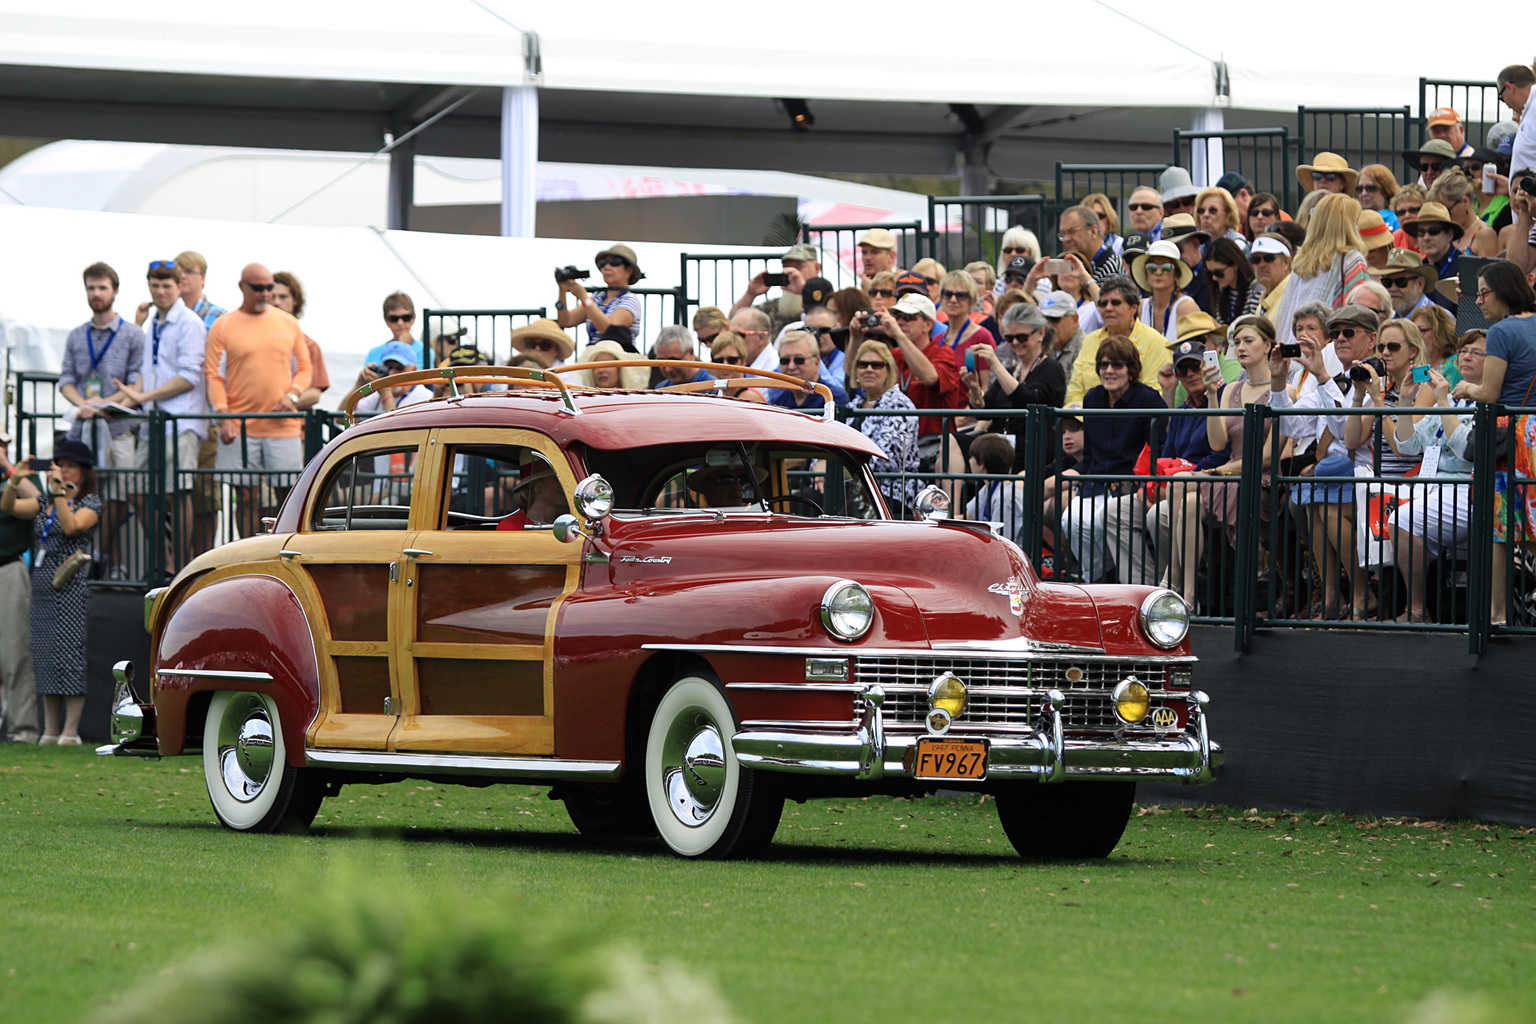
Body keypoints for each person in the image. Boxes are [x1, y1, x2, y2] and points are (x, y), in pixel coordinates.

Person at [1271, 304, 1378, 619]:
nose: (1340, 338)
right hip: (1330, 478)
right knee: (1316, 502)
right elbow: (1291, 425)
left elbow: (1348, 433)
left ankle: (1360, 593)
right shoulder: (1328, 382)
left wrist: (1320, 375)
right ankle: (1331, 598)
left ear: (1371, 340)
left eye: (1349, 332)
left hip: (1367, 475)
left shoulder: (1374, 379)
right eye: (1335, 333)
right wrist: (1278, 384)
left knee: (1326, 509)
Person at [1104, 335, 1228, 594]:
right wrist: (1151, 486)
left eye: (1196, 367)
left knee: (1157, 514)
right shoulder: (1182, 411)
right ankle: (1143, 588)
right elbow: (1165, 455)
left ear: (1207, 368)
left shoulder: (1223, 399)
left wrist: (1175, 481)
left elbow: (1222, 455)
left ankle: (1173, 587)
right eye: (1184, 369)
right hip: (1174, 485)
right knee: (1115, 512)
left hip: (1204, 485)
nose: (1191, 374)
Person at [110, 260, 208, 574]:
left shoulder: (189, 322)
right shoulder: (155, 320)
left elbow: (190, 376)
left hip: (182, 420)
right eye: (155, 285)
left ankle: (179, 566)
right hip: (154, 421)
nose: (161, 291)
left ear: (180, 286)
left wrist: (143, 397)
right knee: (138, 490)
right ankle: (166, 562)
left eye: (167, 285)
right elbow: (148, 374)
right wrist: (120, 400)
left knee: (178, 492)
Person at [1452, 260, 1536, 625]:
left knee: (1499, 530)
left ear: (1502, 292)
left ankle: (1496, 616)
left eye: (1483, 292)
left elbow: (1489, 393)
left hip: (1510, 435)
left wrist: (1465, 387)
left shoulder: (1501, 332)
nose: (1479, 300)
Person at [1, 440, 100, 745]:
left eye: (70, 465)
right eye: (61, 464)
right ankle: (50, 730)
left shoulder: (90, 502)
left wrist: (58, 493)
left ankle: (70, 731)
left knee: (68, 655)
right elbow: (9, 506)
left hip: (69, 586)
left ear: (83, 471)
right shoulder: (46, 499)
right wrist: (15, 479)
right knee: (43, 657)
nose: (64, 469)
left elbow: (71, 527)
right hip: (43, 584)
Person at [204, 263, 312, 541]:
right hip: (240, 428)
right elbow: (213, 375)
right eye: (259, 288)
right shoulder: (224, 324)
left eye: (269, 287)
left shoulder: (288, 322)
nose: (265, 293)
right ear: (242, 287)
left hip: (282, 427)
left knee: (287, 497)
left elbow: (305, 367)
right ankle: (246, 555)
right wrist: (223, 416)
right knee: (247, 498)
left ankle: (282, 552)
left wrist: (293, 395)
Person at [1050, 335, 1166, 584]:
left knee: (1103, 521)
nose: (1109, 371)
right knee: (1071, 519)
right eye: (1103, 365)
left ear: (1131, 369)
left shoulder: (1148, 399)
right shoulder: (1092, 399)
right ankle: (1099, 581)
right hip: (1097, 483)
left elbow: (1160, 449)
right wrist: (1085, 482)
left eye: (1117, 364)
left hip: (1131, 486)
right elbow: (1091, 451)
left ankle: (1122, 582)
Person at [1387, 328, 1481, 623]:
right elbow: (1408, 444)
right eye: (1463, 350)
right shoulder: (1453, 401)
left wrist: (1441, 401)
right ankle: (1409, 608)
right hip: (1429, 489)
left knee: (1402, 519)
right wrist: (1405, 402)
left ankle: (1415, 611)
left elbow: (1466, 448)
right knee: (1386, 513)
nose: (1465, 356)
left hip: (1468, 491)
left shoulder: (1489, 402)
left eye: (1475, 352)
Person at [59, 262, 144, 579]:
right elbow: (66, 380)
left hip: (118, 428)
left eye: (102, 288)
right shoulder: (77, 335)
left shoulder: (133, 335)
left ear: (115, 291)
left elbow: (137, 384)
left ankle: (104, 558)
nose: (96, 294)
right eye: (91, 288)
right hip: (83, 430)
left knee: (119, 495)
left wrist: (105, 405)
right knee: (80, 495)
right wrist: (84, 404)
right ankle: (82, 562)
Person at [963, 303, 1066, 472]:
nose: (1016, 343)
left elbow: (1028, 400)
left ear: (1041, 333)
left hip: (1030, 448)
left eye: (1022, 337)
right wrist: (974, 388)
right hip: (999, 445)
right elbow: (983, 410)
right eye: (1010, 338)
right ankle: (951, 498)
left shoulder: (1051, 368)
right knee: (951, 441)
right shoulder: (1011, 371)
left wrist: (995, 364)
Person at [1273, 193, 1371, 347]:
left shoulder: (1301, 261)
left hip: (1294, 345)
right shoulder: (1351, 259)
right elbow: (1357, 312)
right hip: (1328, 347)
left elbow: (1285, 314)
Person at [1063, 275, 1171, 407]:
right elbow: (1075, 393)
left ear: (1134, 308)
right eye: (1103, 303)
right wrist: (1078, 422)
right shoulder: (1090, 340)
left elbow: (1155, 395)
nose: (1108, 308)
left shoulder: (1155, 342)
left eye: (1116, 302)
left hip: (1136, 422)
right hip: (1089, 421)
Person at [847, 339, 920, 512]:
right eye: (863, 364)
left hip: (889, 491)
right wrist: (819, 463)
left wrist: (841, 467)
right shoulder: (852, 406)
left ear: (888, 371)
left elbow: (889, 458)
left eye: (877, 365)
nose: (869, 370)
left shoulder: (900, 405)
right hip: (851, 486)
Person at [0, 447, 38, 743]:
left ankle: (22, 731)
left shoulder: (12, 481)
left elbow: (41, 501)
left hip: (8, 571)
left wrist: (8, 467)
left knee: (15, 655)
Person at [554, 243, 643, 349]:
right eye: (603, 263)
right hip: (594, 355)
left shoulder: (630, 299)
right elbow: (566, 321)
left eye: (614, 262)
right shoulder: (598, 297)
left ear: (628, 271)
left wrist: (584, 298)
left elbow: (610, 330)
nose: (606, 267)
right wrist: (562, 290)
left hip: (616, 359)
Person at [730, 243, 821, 338]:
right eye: (786, 267)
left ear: (817, 268)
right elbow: (734, 323)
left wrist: (804, 292)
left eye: (798, 267)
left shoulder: (827, 301)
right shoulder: (772, 308)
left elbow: (826, 319)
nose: (792, 273)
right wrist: (750, 294)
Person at [270, 272, 329, 409]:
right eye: (272, 297)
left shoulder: (309, 345)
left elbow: (315, 392)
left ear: (295, 301)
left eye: (283, 297)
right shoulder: (252, 340)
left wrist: (288, 402)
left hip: (295, 425)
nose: (276, 302)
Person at [1131, 240, 1201, 346]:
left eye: (1166, 268)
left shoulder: (1185, 306)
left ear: (1176, 275)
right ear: (1146, 274)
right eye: (1152, 268)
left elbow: (1196, 349)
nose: (1158, 272)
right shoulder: (1142, 307)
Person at [962, 432, 1027, 545]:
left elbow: (1001, 540)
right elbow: (968, 517)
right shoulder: (990, 487)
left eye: (972, 457)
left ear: (982, 464)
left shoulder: (1006, 496)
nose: (969, 461)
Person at [1400, 201, 1460, 309]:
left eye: (1434, 231)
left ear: (1450, 235)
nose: (1426, 237)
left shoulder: (1465, 267)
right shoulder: (1418, 269)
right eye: (1421, 232)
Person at [1427, 167, 1499, 258]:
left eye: (1447, 211)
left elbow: (1490, 272)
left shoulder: (1484, 234)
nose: (1443, 217)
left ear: (1465, 201)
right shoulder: (1446, 231)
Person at [769, 330, 848, 412]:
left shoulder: (833, 398)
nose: (791, 366)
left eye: (799, 360)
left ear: (817, 362)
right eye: (785, 360)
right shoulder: (776, 402)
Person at [935, 271, 996, 363]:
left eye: (961, 295)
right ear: (941, 299)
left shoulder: (981, 337)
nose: (953, 300)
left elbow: (989, 377)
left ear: (972, 302)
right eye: (948, 294)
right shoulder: (937, 339)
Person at [495, 455, 569, 530]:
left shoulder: (569, 523)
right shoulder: (510, 527)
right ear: (536, 485)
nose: (564, 484)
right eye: (556, 478)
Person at [1203, 237, 1264, 324]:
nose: (1214, 278)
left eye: (1218, 272)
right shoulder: (1221, 289)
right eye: (1210, 273)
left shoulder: (1256, 291)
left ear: (1235, 265)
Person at [1057, 205, 1124, 283]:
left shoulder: (1110, 268)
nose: (1066, 239)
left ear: (1093, 231)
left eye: (1072, 232)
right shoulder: (1076, 265)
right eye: (1063, 234)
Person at [362, 292, 426, 369]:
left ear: (414, 318)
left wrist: (401, 345)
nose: (400, 323)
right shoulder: (373, 353)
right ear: (386, 320)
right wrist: (362, 379)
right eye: (394, 318)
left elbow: (415, 378)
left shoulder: (424, 351)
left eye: (406, 317)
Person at [1370, 248, 1438, 320]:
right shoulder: (1388, 319)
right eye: (1387, 282)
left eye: (1401, 282)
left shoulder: (1437, 320)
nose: (1393, 288)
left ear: (1420, 284)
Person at [1410, 303, 1462, 386]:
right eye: (1413, 332)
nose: (1415, 337)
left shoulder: (1455, 365)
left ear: (1440, 333)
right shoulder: (1412, 365)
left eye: (1421, 331)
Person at [708, 332, 766, 404]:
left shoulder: (749, 397)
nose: (725, 365)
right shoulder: (715, 394)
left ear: (743, 362)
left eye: (732, 360)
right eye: (719, 361)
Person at [1039, 290, 1084, 377]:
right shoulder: (1045, 345)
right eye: (1044, 320)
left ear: (1074, 320)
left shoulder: (1084, 349)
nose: (1048, 326)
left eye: (1054, 319)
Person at [576, 339, 650, 390]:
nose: (600, 370)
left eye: (607, 365)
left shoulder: (634, 400)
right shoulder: (585, 402)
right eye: (596, 366)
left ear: (620, 368)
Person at [1251, 235, 1293, 323]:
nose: (1262, 265)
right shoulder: (1262, 303)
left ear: (1286, 263)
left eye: (1268, 258)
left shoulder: (1293, 297)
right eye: (1256, 260)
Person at [508, 318, 575, 369]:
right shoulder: (512, 373)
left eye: (545, 345)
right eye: (531, 344)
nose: (537, 349)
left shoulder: (568, 376)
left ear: (556, 350)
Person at [1355, 164, 1402, 230]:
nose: (1364, 193)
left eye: (1370, 188)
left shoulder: (1396, 221)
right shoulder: (1353, 220)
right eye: (1359, 189)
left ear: (1386, 190)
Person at [1081, 192, 1124, 256]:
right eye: (1090, 216)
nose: (1095, 220)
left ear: (1109, 218)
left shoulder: (1121, 246)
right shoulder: (1077, 248)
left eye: (1100, 215)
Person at [1391, 184, 1428, 253]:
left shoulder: (1433, 236)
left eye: (1413, 210)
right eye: (1401, 212)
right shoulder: (1395, 238)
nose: (1407, 216)